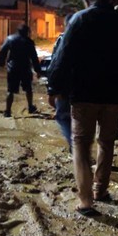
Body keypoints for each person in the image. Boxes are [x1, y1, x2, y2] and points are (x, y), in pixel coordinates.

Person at [48, 0, 118, 215]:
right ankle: (100, 189)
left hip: (84, 94)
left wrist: (54, 87)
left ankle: (86, 200)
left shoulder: (79, 19)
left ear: (87, 0)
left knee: (80, 144)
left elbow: (62, 55)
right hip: (114, 95)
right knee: (107, 143)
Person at [0, 24, 41, 117]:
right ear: (27, 32)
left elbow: (2, 51)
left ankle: (8, 111)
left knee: (10, 90)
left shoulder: (10, 39)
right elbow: (34, 57)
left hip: (13, 68)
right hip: (25, 68)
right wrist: (38, 70)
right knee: (28, 88)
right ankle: (30, 107)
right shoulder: (29, 42)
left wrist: (1, 62)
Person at [47, 14, 73, 150]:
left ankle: (74, 146)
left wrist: (52, 89)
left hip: (65, 86)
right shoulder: (90, 39)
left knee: (63, 116)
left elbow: (55, 63)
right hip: (85, 87)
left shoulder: (63, 40)